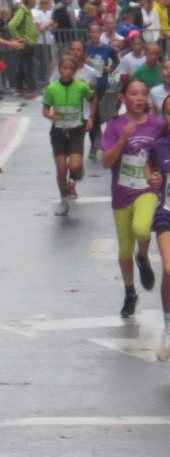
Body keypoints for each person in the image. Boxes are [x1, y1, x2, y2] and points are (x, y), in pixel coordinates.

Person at [100, 78, 164, 317]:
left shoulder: (158, 125)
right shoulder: (115, 125)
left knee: (142, 229)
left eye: (143, 94)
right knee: (125, 248)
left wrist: (159, 175)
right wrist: (122, 140)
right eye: (134, 94)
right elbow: (106, 162)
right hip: (122, 193)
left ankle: (144, 257)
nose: (139, 99)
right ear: (123, 99)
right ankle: (129, 292)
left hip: (147, 190)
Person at [44, 54, 95, 216]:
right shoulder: (52, 88)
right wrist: (51, 116)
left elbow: (93, 99)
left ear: (74, 72)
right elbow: (45, 110)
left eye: (70, 69)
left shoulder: (81, 86)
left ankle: (77, 173)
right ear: (59, 70)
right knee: (61, 169)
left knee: (74, 166)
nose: (66, 72)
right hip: (58, 132)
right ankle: (64, 200)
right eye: (64, 68)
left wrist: (91, 118)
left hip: (75, 131)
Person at [142, 95, 170, 360]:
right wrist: (151, 177)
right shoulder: (159, 146)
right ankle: (168, 330)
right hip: (167, 214)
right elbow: (148, 170)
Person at [85, 22, 118, 156]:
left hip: (103, 84)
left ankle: (104, 141)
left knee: (102, 114)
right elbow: (76, 57)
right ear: (89, 34)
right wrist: (85, 60)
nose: (94, 34)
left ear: (100, 33)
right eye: (92, 32)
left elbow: (116, 60)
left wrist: (110, 68)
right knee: (92, 115)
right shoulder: (85, 47)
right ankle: (94, 144)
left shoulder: (107, 48)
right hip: (89, 85)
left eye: (97, 32)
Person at [9, 0, 40, 99]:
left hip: (30, 43)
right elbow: (11, 25)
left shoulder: (28, 11)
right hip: (25, 44)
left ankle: (19, 87)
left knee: (23, 66)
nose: (35, 1)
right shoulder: (22, 11)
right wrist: (18, 38)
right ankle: (30, 90)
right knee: (28, 67)